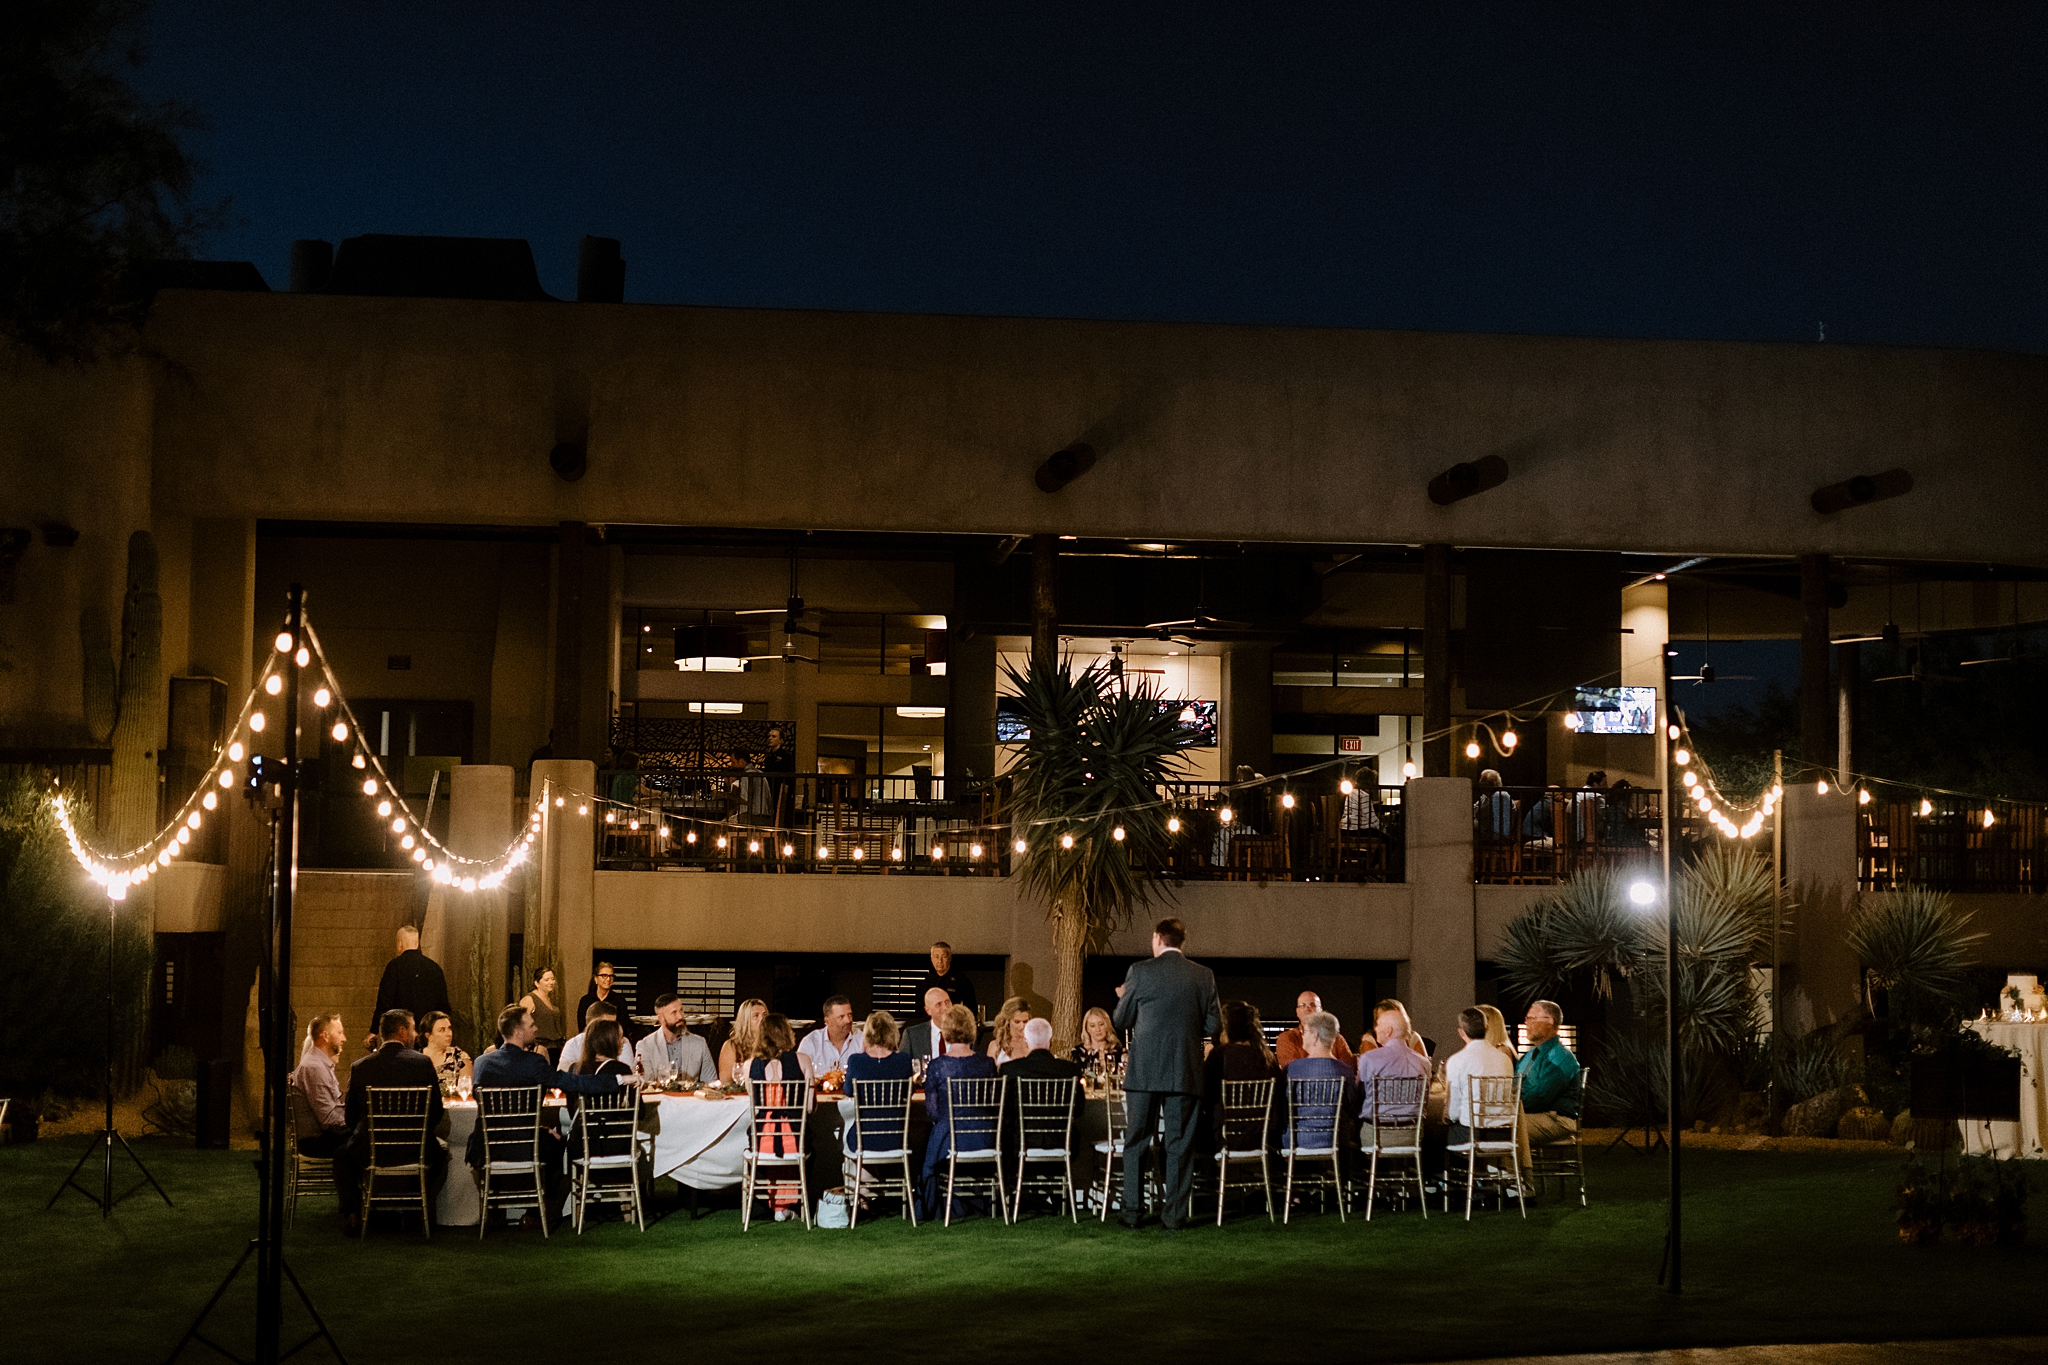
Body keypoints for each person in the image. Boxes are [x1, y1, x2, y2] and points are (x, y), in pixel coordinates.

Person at [469, 1003, 639, 1216]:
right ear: (518, 1031)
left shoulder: (481, 1063)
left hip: (486, 1145)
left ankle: (493, 1213)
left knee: (548, 1134)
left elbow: (484, 1103)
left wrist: (537, 1127)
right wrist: (619, 1079)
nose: (536, 1029)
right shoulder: (534, 1062)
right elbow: (572, 1083)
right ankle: (541, 1211)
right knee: (559, 1143)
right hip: (526, 1145)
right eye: (531, 1025)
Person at [1111, 917, 1221, 1233]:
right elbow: (1214, 1026)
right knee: (1179, 1142)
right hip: (1184, 1069)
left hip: (1144, 1070)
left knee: (1136, 1141)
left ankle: (1132, 1211)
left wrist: (1124, 997)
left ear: (1158, 938)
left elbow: (1121, 1019)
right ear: (1181, 941)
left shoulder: (1140, 972)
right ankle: (1174, 1215)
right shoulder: (1203, 976)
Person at [334, 1009, 445, 1235]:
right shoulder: (422, 1064)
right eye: (413, 1029)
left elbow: (351, 1117)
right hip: (415, 1148)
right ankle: (414, 1209)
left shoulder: (361, 1067)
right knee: (442, 1153)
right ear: (402, 1031)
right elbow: (436, 1111)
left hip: (371, 1149)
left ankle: (355, 1213)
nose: (415, 1034)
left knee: (341, 1156)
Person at [918, 1004, 998, 1222]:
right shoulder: (987, 1064)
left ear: (947, 1031)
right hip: (985, 1136)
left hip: (950, 1137)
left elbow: (932, 1112)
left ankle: (936, 1205)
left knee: (929, 1145)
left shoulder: (938, 1065)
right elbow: (993, 1102)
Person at [745, 1014, 810, 1220]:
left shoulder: (749, 1066)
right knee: (809, 1141)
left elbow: (754, 1104)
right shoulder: (802, 1060)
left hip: (762, 1141)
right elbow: (809, 1108)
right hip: (794, 1140)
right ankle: (792, 1203)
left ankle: (771, 1204)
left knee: (762, 1140)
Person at [1201, 999, 1279, 1151]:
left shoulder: (1220, 1056)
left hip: (1224, 1137)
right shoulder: (1267, 1058)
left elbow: (1205, 1094)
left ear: (1226, 1027)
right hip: (1262, 1137)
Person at [1282, 1010, 1357, 1156]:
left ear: (1315, 1035)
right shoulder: (1345, 1070)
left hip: (1298, 1139)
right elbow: (1351, 1103)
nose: (1302, 1035)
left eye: (1305, 1032)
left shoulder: (1293, 1069)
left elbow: (1285, 1105)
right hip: (1335, 1139)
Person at [1514, 1000, 1582, 1147]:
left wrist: (1512, 1107)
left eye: (1532, 1018)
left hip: (1557, 1119)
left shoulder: (1560, 1057)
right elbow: (1514, 1085)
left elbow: (1541, 1096)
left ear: (1550, 1021)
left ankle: (1512, 1170)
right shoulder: (1529, 1055)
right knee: (1498, 1127)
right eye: (1527, 1019)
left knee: (1506, 1129)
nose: (1527, 1023)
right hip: (1531, 1114)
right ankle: (1506, 1169)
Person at [1445, 1006, 1515, 1142]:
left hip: (1472, 1135)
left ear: (1461, 1032)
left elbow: (1453, 1112)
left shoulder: (1457, 1060)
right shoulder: (1504, 1059)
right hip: (1504, 1134)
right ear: (1487, 1028)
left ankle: (1464, 1164)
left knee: (1442, 1135)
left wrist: (1450, 1117)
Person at [1356, 1003, 1434, 1123]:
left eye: (1378, 1024)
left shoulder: (1369, 1058)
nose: (1375, 1028)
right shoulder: (1424, 1063)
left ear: (1389, 1031)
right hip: (1412, 1132)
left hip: (1376, 1132)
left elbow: (1360, 1094)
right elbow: (1425, 1101)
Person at [290, 1012, 349, 1160]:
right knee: (371, 1143)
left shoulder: (318, 1064)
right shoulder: (314, 1067)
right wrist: (358, 1121)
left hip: (321, 1138)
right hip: (316, 1142)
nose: (344, 1038)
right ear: (325, 1036)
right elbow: (328, 1120)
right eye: (340, 1033)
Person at [371, 925, 450, 1027]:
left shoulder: (394, 967)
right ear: (417, 943)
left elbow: (384, 1003)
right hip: (428, 1032)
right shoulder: (434, 968)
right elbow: (443, 1006)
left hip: (402, 1031)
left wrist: (375, 1029)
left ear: (399, 944)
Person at [634, 993, 718, 1084]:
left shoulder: (699, 1043)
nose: (680, 1016)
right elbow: (645, 1083)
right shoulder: (646, 1046)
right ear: (661, 1018)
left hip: (691, 1097)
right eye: (674, 1013)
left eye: (681, 1010)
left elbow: (711, 1082)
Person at [1275, 990, 1355, 1069]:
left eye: (1312, 1005)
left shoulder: (1336, 1038)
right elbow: (1290, 1067)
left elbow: (1348, 1065)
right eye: (1303, 1005)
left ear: (1321, 1010)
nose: (1308, 1009)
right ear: (1297, 1011)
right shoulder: (1286, 1038)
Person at [797, 995, 864, 1078]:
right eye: (841, 1017)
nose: (848, 1020)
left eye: (850, 1015)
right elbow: (800, 1075)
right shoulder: (811, 1042)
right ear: (827, 1021)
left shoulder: (863, 1040)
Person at [559, 1000, 623, 1073]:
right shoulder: (573, 1044)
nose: (613, 1029)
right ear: (592, 1025)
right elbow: (563, 1078)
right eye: (606, 1025)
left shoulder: (622, 1042)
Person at [916, 941, 979, 1015]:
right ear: (931, 958)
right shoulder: (928, 981)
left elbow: (971, 1009)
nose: (940, 961)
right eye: (936, 956)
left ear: (949, 958)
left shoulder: (961, 980)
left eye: (944, 957)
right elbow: (922, 1008)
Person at [574, 962, 629, 1044]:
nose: (608, 979)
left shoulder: (619, 1000)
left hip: (613, 1042)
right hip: (590, 1042)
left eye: (611, 976)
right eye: (604, 976)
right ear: (596, 979)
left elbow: (622, 1025)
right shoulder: (586, 1000)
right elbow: (582, 1026)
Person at [416, 1010, 470, 1091]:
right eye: (442, 1030)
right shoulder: (417, 1059)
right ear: (429, 1036)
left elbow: (466, 1090)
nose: (449, 1034)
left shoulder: (459, 1057)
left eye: (449, 1029)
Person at [520, 967, 566, 1060]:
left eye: (552, 979)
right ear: (537, 983)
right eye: (546, 980)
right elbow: (521, 1024)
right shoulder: (529, 999)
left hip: (555, 1047)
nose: (551, 982)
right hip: (539, 1048)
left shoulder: (551, 999)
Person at [718, 998, 768, 1081]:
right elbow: (726, 1082)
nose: (762, 1019)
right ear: (745, 1020)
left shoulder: (771, 1045)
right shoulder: (732, 1046)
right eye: (756, 1016)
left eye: (764, 1015)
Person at [901, 986, 951, 1061]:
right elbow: (903, 1069)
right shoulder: (912, 1035)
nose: (945, 1008)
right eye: (939, 1004)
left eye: (947, 1002)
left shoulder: (966, 1033)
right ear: (928, 1010)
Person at [1068, 1006, 1124, 1073]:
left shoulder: (1118, 1050)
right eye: (1092, 1026)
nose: (1098, 1029)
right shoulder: (1079, 1052)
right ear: (1087, 1029)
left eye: (1101, 1024)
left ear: (1107, 1025)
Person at [987, 996, 1032, 1065]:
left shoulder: (1034, 1045)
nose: (1022, 1026)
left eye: (1025, 1021)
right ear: (1008, 1022)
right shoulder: (996, 1046)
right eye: (1017, 1022)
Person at [1474, 769, 1515, 840]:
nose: (1480, 782)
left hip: (1492, 833)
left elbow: (1503, 824)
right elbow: (1474, 809)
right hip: (1483, 828)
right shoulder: (1485, 796)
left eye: (1483, 780)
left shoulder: (1500, 795)